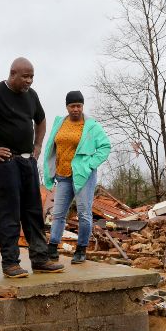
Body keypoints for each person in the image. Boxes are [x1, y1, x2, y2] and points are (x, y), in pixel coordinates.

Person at [0, 57, 64, 278]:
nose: (29, 81)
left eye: (32, 77)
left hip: (27, 162)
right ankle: (10, 264)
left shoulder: (31, 96)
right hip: (5, 163)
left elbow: (41, 120)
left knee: (34, 212)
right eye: (25, 76)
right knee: (9, 214)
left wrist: (37, 146)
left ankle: (40, 258)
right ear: (13, 73)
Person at [42, 91, 111, 264]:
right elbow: (52, 146)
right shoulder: (60, 122)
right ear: (67, 107)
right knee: (58, 213)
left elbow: (105, 147)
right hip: (62, 175)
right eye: (72, 106)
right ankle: (52, 248)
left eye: (79, 106)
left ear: (82, 106)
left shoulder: (91, 126)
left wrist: (89, 164)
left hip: (83, 175)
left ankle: (81, 249)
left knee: (84, 213)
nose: (76, 109)